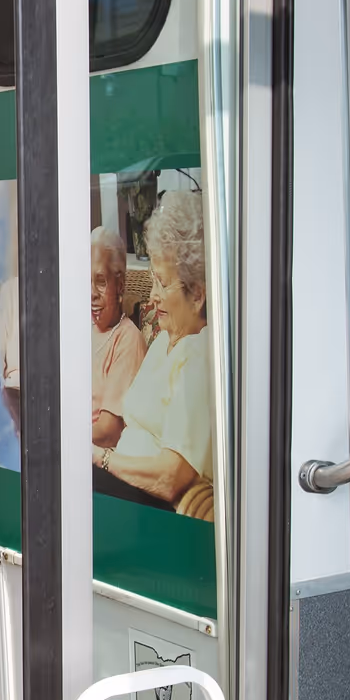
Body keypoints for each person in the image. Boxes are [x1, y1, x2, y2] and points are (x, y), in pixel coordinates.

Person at [95, 190, 213, 508]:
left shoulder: (200, 357)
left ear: (198, 294)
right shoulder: (164, 339)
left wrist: (101, 460)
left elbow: (171, 476)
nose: (152, 296)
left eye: (161, 282)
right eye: (152, 280)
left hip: (148, 506)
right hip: (123, 489)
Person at [89, 224, 147, 449]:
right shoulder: (83, 329)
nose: (91, 292)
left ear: (120, 284)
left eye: (100, 281)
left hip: (96, 461)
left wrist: (57, 436)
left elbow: (108, 432)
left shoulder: (128, 340)